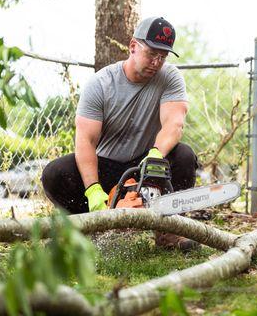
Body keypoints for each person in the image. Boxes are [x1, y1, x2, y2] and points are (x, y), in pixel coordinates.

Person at [41, 16, 199, 250]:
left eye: (162, 56)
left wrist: (156, 154)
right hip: (106, 165)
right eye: (152, 53)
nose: (157, 62)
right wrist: (94, 190)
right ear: (133, 46)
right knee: (55, 173)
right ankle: (85, 231)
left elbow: (174, 124)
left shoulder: (170, 78)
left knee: (184, 156)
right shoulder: (101, 84)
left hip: (147, 161)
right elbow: (86, 141)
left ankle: (169, 233)